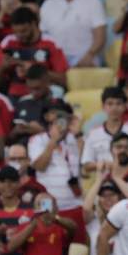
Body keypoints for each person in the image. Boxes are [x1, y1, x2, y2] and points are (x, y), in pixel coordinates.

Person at [27, 102, 85, 242]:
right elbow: (39, 166)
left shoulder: (74, 138)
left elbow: (83, 163)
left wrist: (77, 134)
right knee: (51, 245)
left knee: (78, 247)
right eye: (56, 116)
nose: (60, 121)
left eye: (64, 117)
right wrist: (53, 140)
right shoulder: (37, 140)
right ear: (48, 119)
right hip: (48, 206)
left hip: (75, 203)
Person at [38, 0, 106, 67]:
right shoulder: (48, 3)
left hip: (84, 56)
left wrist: (90, 55)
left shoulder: (92, 1)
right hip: (54, 57)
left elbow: (100, 37)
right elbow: (42, 35)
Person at [5, 192, 75, 255]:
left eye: (48, 204)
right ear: (35, 208)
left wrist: (55, 218)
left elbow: (73, 228)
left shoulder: (60, 227)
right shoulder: (27, 227)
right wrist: (33, 224)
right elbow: (11, 247)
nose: (44, 208)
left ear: (55, 208)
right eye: (40, 204)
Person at [0, 8, 68, 101]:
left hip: (43, 97)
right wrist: (2, 68)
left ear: (34, 24)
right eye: (15, 32)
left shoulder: (51, 43)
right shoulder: (8, 42)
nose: (19, 35)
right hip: (14, 97)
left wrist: (35, 70)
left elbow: (63, 79)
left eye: (23, 31)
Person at [81, 86, 128, 175]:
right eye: (110, 104)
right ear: (103, 106)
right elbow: (86, 164)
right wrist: (105, 165)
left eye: (118, 104)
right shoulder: (93, 134)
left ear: (125, 106)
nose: (114, 108)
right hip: (104, 181)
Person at [82, 176, 128, 255]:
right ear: (98, 200)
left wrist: (116, 177)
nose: (108, 198)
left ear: (119, 197)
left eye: (112, 194)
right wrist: (99, 178)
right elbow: (86, 208)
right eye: (103, 196)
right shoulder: (94, 221)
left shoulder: (127, 220)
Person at [0, 165, 34, 255]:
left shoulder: (31, 211)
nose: (7, 185)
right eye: (2, 181)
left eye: (12, 181)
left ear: (19, 183)